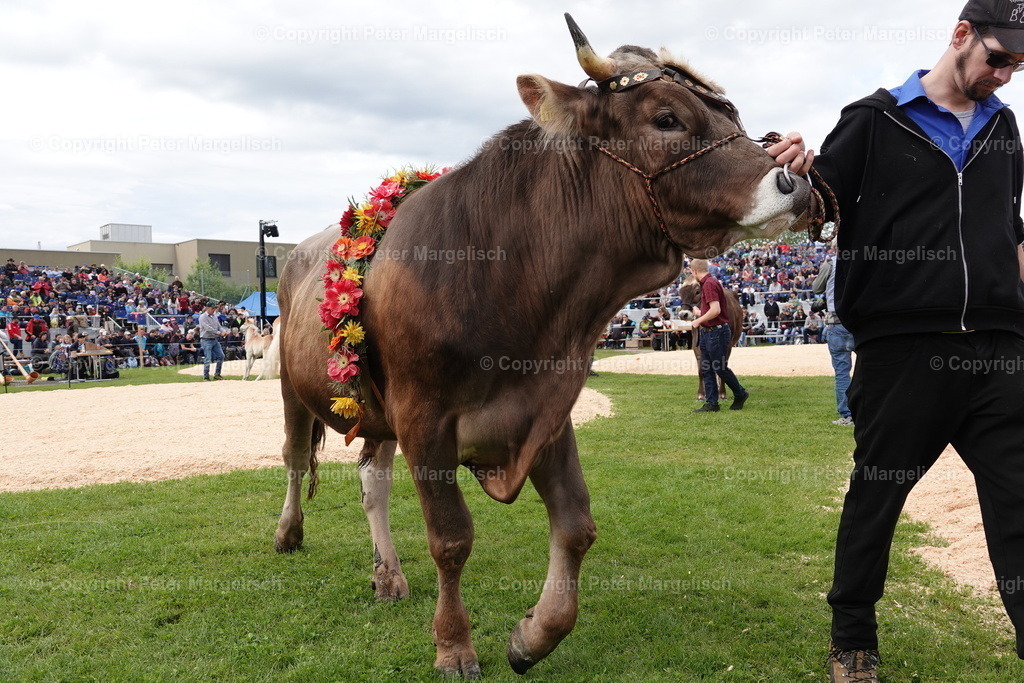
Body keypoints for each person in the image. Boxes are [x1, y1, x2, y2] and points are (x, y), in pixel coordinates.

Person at [771, 2, 1024, 679]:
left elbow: (1007, 228)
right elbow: (817, 202)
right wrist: (794, 168)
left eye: (1017, 66)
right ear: (961, 35)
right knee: (877, 498)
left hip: (1000, 349)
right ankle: (852, 635)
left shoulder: (1005, 125)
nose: (1004, 75)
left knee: (1019, 501)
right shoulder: (873, 118)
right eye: (998, 57)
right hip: (901, 351)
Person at [688, 259, 748, 412]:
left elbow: (716, 310)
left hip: (716, 332)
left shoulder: (708, 284)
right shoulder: (710, 283)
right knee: (707, 368)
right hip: (709, 332)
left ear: (694, 271)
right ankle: (712, 403)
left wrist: (697, 321)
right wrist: (699, 313)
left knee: (720, 368)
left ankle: (740, 393)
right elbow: (712, 311)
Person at [813, 253, 855, 426]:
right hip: (861, 321)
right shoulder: (864, 258)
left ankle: (847, 415)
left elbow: (816, 288)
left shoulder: (830, 264)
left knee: (842, 372)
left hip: (837, 322)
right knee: (869, 369)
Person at [198, 301, 226, 380]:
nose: (213, 310)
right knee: (208, 358)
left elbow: (219, 326)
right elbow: (208, 328)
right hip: (206, 339)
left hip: (214, 339)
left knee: (221, 356)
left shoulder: (214, 316)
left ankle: (217, 374)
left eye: (214, 308)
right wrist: (219, 333)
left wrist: (223, 331)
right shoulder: (202, 317)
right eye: (212, 308)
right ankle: (206, 376)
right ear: (207, 308)